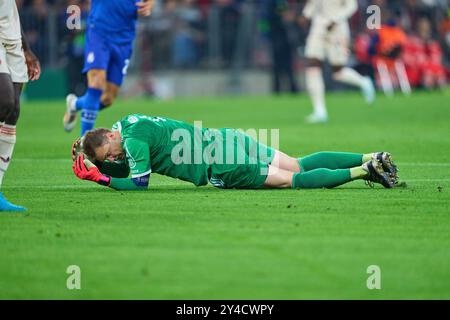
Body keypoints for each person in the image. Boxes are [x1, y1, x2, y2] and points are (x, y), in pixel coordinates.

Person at [71, 114, 398, 191]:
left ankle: (364, 171)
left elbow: (137, 183)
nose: (114, 158)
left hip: (220, 164)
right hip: (225, 137)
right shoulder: (125, 123)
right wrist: (93, 160)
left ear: (113, 137)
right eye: (107, 159)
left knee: (290, 180)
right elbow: (123, 162)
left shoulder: (132, 144)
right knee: (298, 162)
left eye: (109, 152)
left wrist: (101, 178)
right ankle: (369, 156)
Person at [63, 0, 154, 136]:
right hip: (99, 32)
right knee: (97, 83)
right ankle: (85, 144)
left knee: (107, 98)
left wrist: (149, 4)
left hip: (124, 38)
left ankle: (75, 104)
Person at [302, 0, 375, 123]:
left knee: (338, 73)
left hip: (337, 31)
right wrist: (306, 14)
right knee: (312, 68)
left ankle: (363, 82)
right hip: (318, 29)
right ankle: (320, 111)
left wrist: (335, 19)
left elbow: (352, 6)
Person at [0, 0, 41, 211]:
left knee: (13, 110)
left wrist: (26, 48)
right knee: (4, 100)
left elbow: (10, 7)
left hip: (11, 37)